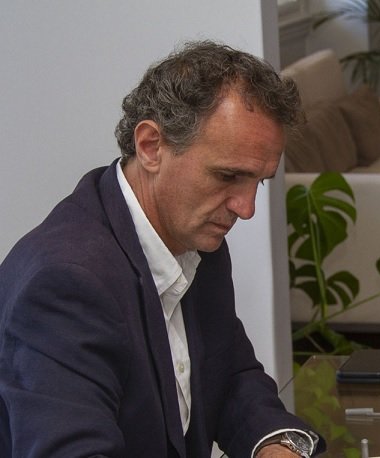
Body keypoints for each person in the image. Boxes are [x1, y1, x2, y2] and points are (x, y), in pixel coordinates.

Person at [0, 41, 325, 457]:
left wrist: (277, 443)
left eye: (258, 182)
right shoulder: (66, 283)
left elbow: (229, 376)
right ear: (151, 146)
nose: (246, 209)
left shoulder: (197, 239)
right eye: (228, 176)